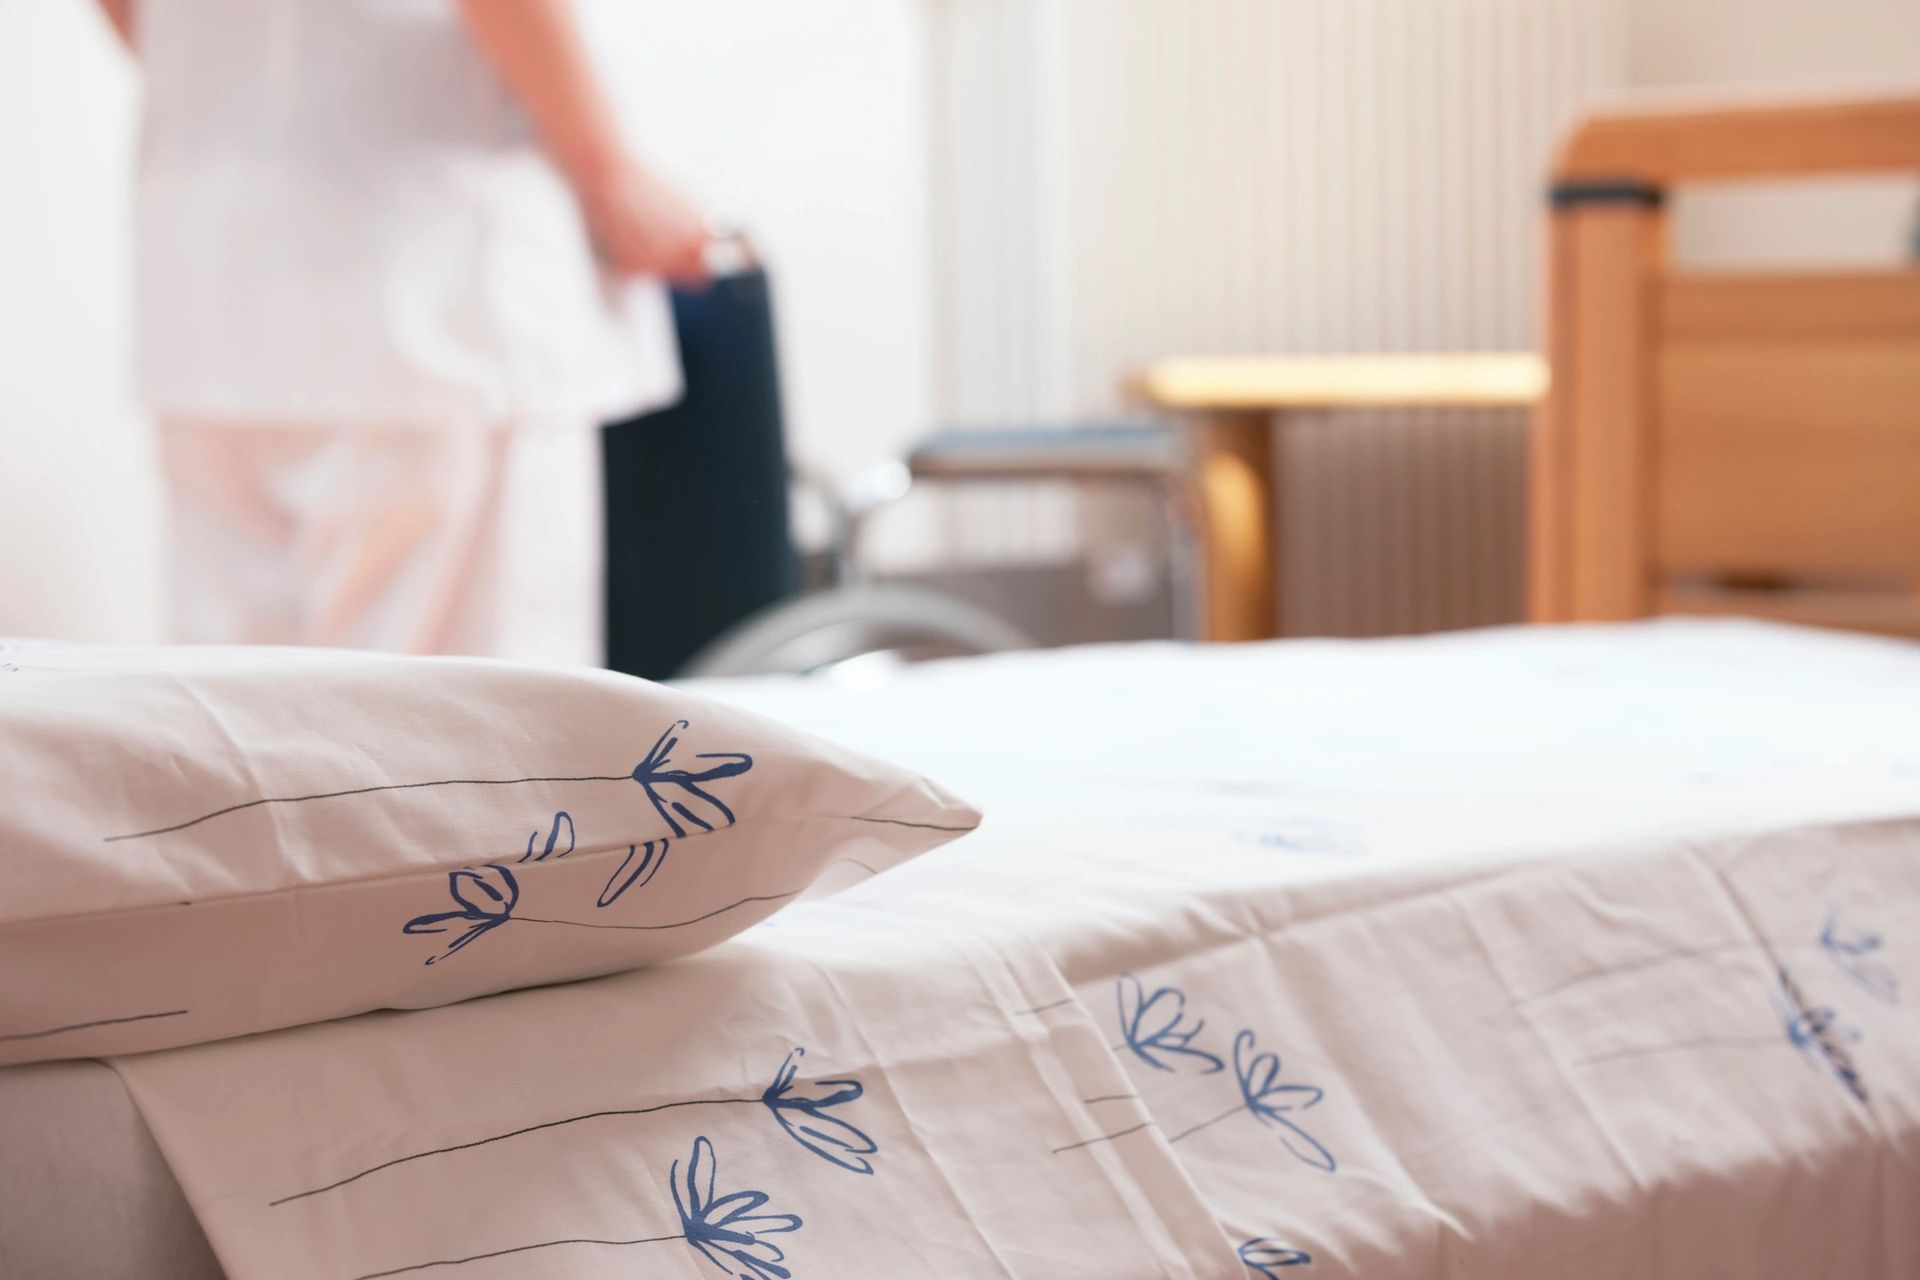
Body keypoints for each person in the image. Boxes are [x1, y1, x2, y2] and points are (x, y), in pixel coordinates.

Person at [96, 0, 706, 662]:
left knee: (239, 713)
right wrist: (608, 173)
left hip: (214, 267)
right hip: (426, 274)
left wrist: (241, 93)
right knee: (460, 728)